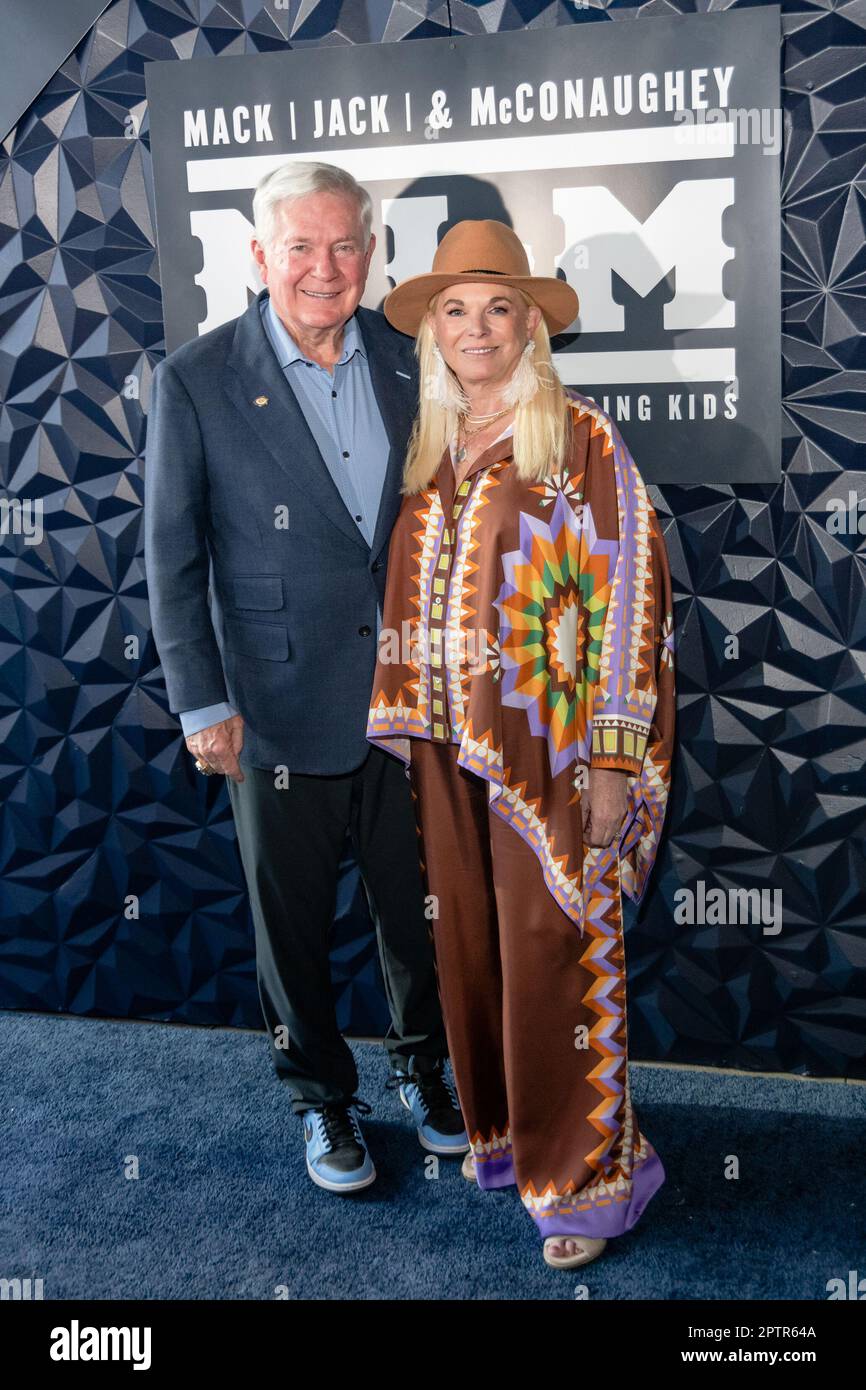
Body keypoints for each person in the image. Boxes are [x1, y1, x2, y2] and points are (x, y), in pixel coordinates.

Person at [144, 161, 468, 1196]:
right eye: (300, 246)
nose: (323, 268)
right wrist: (203, 701)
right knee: (288, 926)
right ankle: (320, 1100)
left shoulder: (410, 359)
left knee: (414, 909)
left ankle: (425, 1069)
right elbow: (171, 555)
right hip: (274, 707)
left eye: (344, 245)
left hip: (408, 699)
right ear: (259, 255)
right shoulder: (197, 378)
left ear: (371, 255)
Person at [366, 220, 676, 1267]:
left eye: (497, 306)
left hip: (548, 754)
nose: (475, 326)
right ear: (432, 332)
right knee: (468, 950)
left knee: (555, 955)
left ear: (532, 322)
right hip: (445, 753)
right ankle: (503, 1135)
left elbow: (631, 597)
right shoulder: (430, 448)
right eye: (453, 309)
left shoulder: (578, 440)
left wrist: (611, 757)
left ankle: (585, 1176)